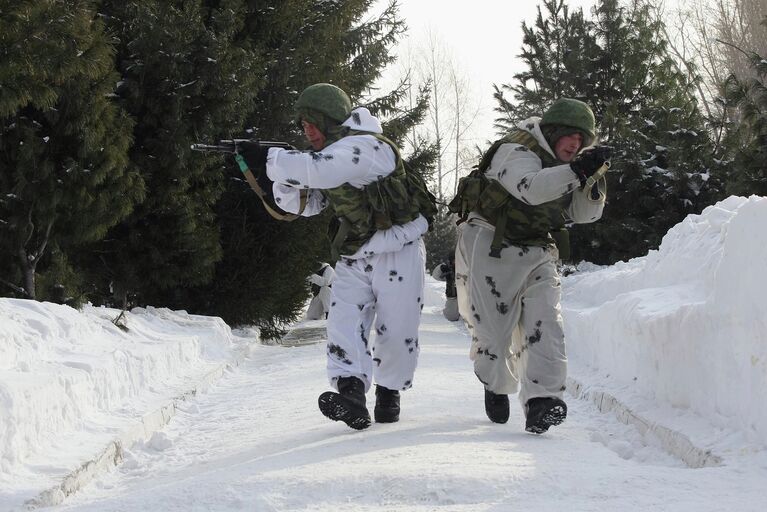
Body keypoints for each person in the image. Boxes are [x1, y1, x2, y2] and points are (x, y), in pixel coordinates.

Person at [239, 83, 435, 430]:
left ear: (331, 121)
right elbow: (310, 204)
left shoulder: (369, 146)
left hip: (398, 247)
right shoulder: (329, 156)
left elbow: (324, 169)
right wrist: (280, 183)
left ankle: (389, 391)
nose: (308, 132)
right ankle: (351, 394)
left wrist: (271, 159)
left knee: (397, 328)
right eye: (303, 126)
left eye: (313, 123)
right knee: (344, 322)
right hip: (355, 251)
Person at [448, 97, 610, 434]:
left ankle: (543, 401)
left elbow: (583, 215)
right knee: (492, 335)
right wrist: (576, 171)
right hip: (491, 244)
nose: (575, 145)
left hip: (537, 249)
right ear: (552, 133)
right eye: (570, 137)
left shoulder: (572, 165)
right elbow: (532, 190)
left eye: (581, 141)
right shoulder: (515, 150)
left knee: (547, 324)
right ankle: (494, 383)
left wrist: (592, 181)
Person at [431, 253, 459, 321]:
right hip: (453, 296)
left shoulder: (466, 268)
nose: (456, 262)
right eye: (454, 260)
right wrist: (441, 268)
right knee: (452, 317)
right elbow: (436, 276)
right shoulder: (448, 269)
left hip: (467, 297)